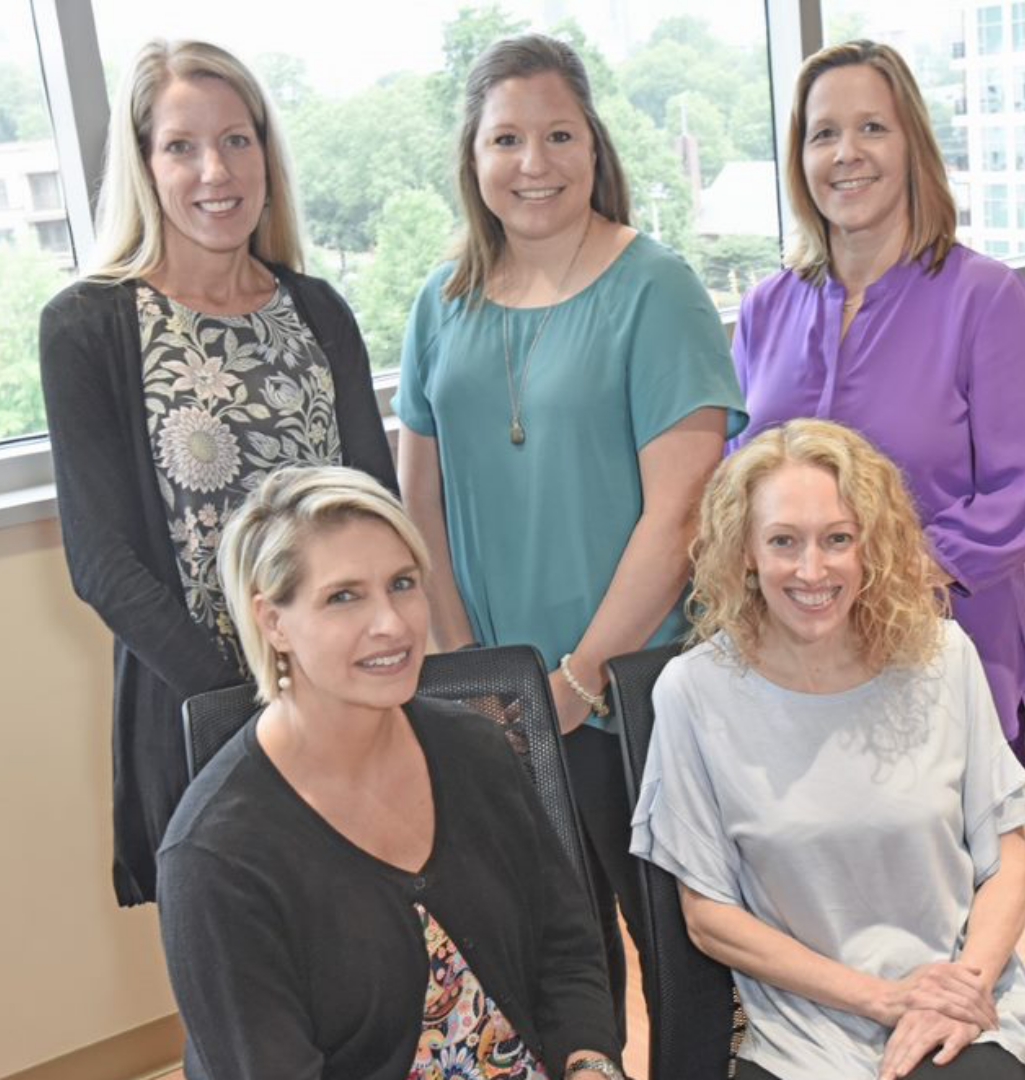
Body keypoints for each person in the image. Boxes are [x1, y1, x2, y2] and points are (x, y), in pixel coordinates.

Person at [394, 32, 746, 1018]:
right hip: (492, 703)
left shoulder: (657, 288)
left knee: (679, 951)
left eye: (558, 134)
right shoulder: (440, 301)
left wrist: (576, 683)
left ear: (595, 144)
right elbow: (416, 504)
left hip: (633, 686)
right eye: (506, 139)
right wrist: (470, 672)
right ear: (473, 159)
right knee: (554, 955)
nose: (534, 163)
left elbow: (682, 509)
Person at [631, 420, 1025, 1080]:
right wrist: (887, 999)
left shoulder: (943, 659)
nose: (813, 570)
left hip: (962, 1006)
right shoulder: (696, 693)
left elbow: (1008, 856)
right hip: (815, 1037)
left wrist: (964, 988)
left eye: (838, 539)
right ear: (744, 550)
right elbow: (709, 918)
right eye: (783, 542)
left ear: (871, 545)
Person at [39, 39, 395, 907]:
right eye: (181, 146)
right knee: (245, 997)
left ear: (267, 154)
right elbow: (102, 563)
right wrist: (248, 702)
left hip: (349, 694)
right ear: (144, 165)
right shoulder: (89, 326)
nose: (215, 171)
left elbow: (375, 511)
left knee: (380, 974)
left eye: (237, 140)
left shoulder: (317, 311)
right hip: (203, 711)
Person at [159, 466, 626, 1080]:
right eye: (344, 596)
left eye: (402, 584)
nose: (394, 623)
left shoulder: (477, 747)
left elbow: (565, 948)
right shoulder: (216, 858)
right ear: (273, 622)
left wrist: (589, 1063)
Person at [732, 40, 1025, 767]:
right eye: (824, 134)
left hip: (945, 647)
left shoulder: (985, 299)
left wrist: (884, 572)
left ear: (912, 142)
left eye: (871, 128)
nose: (847, 153)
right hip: (800, 660)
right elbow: (738, 481)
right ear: (801, 160)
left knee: (954, 872)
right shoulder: (767, 308)